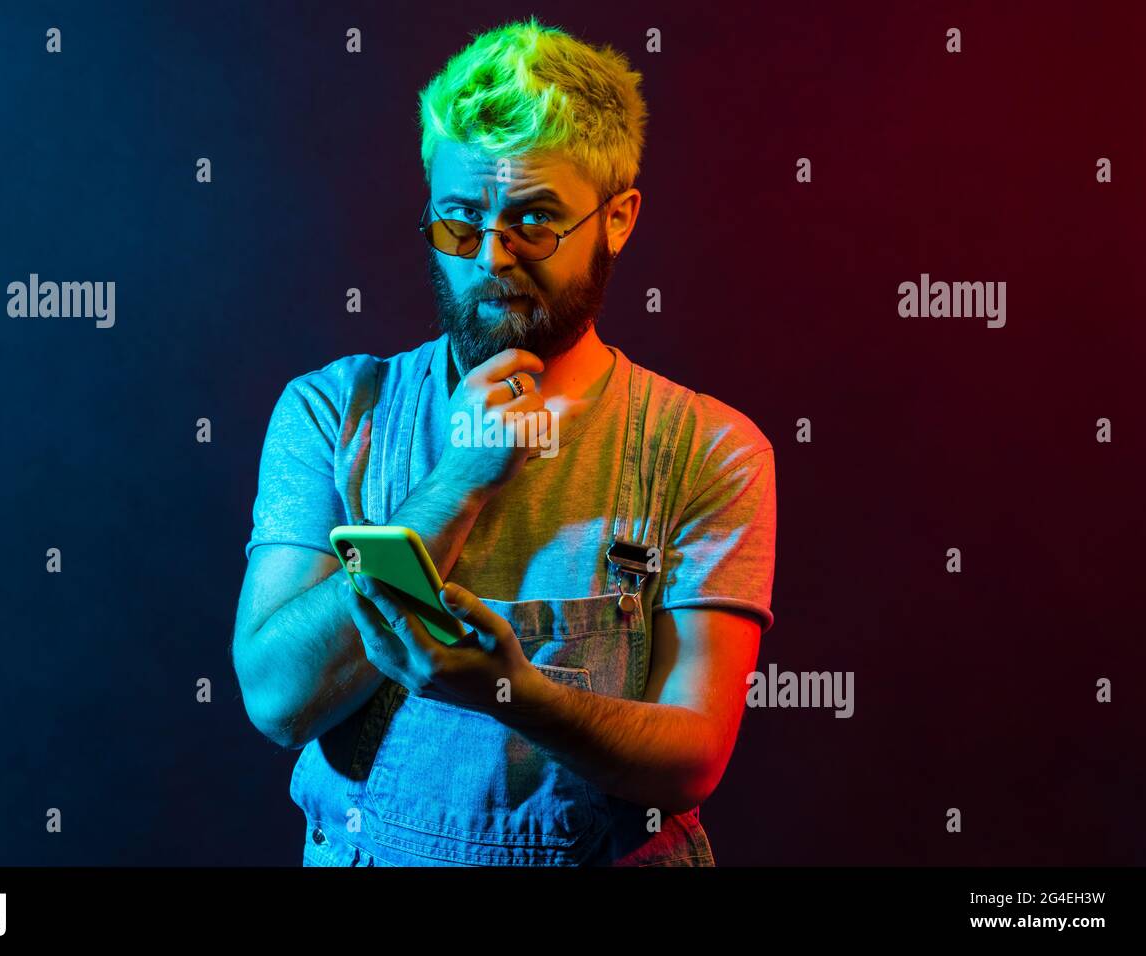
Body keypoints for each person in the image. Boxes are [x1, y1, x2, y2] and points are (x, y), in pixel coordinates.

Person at [232, 16, 776, 866]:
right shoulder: (333, 412)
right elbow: (275, 699)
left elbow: (691, 759)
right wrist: (458, 480)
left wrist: (511, 693)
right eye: (458, 221)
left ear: (619, 217)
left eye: (533, 221)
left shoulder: (706, 446)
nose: (491, 255)